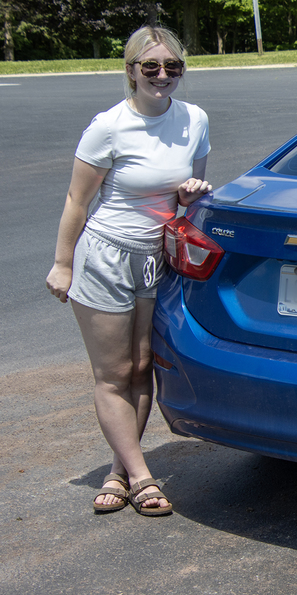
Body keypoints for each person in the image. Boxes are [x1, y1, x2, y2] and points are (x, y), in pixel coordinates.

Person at [45, 25, 212, 517]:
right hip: (106, 255)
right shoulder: (110, 126)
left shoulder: (195, 119)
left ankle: (119, 470)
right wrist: (61, 263)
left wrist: (187, 196)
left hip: (156, 258)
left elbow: (190, 189)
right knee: (114, 372)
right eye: (151, 67)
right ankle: (141, 477)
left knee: (142, 369)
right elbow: (78, 200)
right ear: (131, 71)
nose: (162, 76)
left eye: (172, 67)